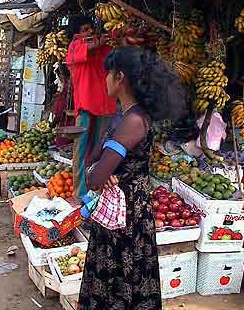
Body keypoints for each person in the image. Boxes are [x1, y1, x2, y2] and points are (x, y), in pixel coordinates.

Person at [78, 46, 188, 310]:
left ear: (120, 77)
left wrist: (100, 172)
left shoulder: (134, 121)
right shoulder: (122, 116)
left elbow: (94, 176)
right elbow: (92, 162)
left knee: (123, 275)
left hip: (127, 214)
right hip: (118, 209)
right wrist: (99, 171)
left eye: (108, 74)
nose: (104, 79)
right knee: (114, 273)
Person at [66, 14, 116, 200]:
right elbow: (81, 52)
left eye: (90, 28)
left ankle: (96, 189)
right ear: (76, 33)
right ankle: (80, 192)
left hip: (105, 105)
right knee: (80, 149)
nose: (89, 32)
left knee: (99, 149)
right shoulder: (74, 47)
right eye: (84, 29)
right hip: (85, 105)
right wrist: (97, 43)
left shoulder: (103, 47)